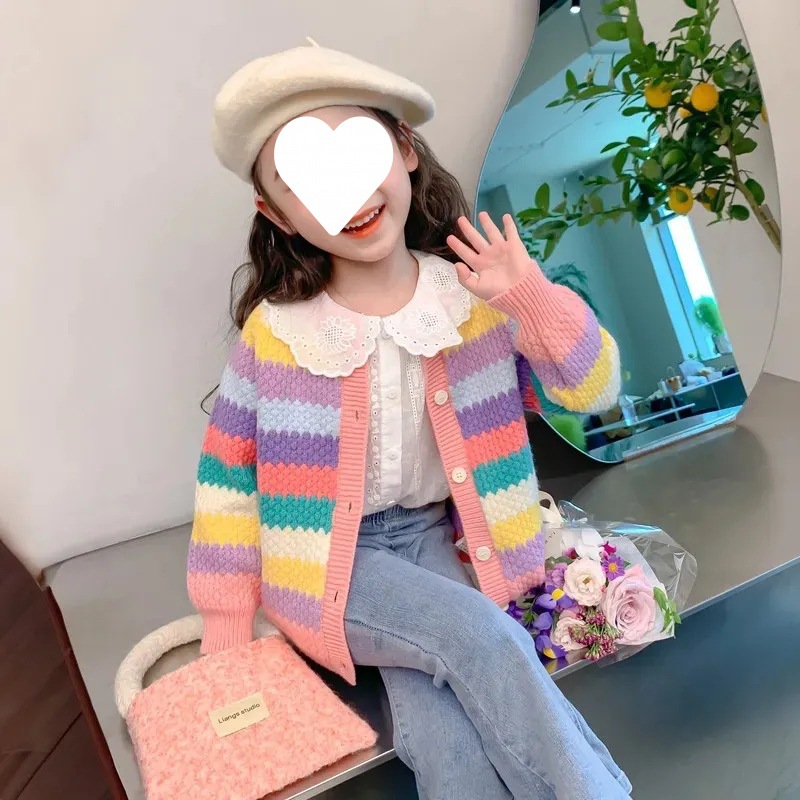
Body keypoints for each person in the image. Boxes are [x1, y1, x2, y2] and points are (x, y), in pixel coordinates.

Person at [187, 42, 631, 800]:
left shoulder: (474, 298)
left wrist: (529, 296)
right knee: (483, 638)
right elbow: (227, 480)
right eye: (307, 181)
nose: (349, 193)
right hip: (328, 564)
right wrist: (226, 631)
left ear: (403, 149)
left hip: (433, 542)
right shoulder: (277, 333)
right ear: (276, 214)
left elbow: (594, 389)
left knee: (446, 745)